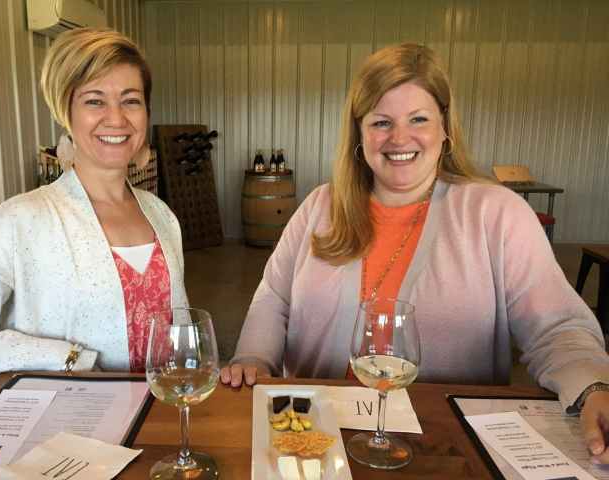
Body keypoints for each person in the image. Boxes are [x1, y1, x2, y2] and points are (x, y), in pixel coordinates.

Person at [221, 43, 609, 463]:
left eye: (419, 119)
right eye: (382, 122)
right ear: (360, 133)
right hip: (314, 438)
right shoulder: (320, 206)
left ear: (445, 128)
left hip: (440, 444)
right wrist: (253, 358)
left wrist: (593, 387)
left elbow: (555, 328)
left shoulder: (496, 213)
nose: (399, 138)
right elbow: (274, 298)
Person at [0, 28, 187, 373]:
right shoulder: (20, 220)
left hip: (163, 417)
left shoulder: (162, 216)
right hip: (70, 422)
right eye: (94, 100)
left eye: (131, 100)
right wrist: (69, 358)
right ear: (65, 112)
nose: (116, 118)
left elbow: (182, 334)